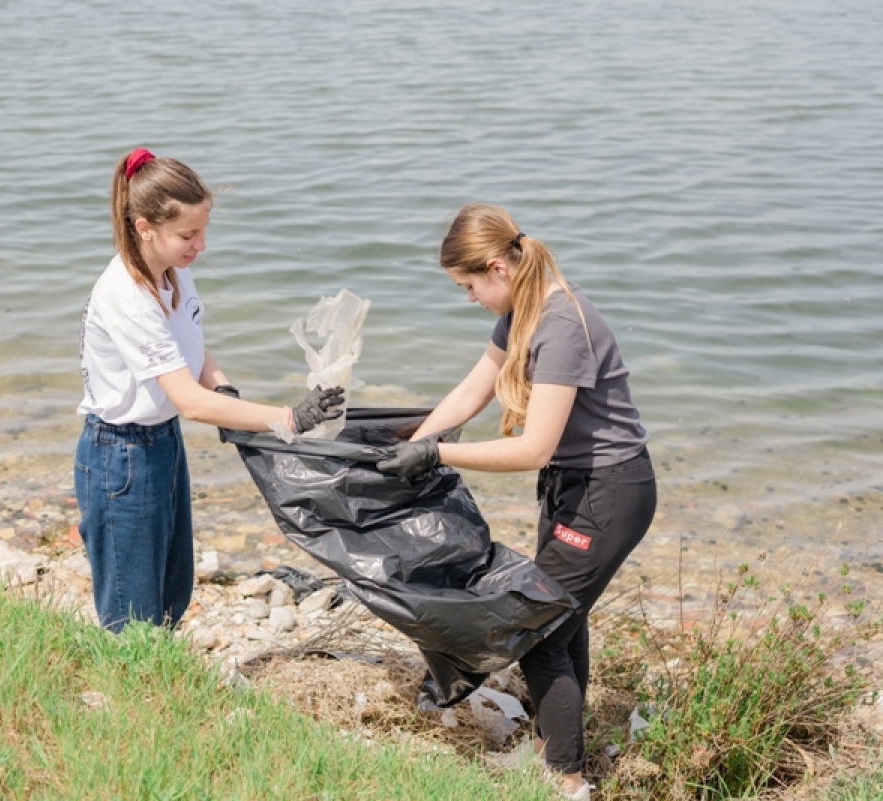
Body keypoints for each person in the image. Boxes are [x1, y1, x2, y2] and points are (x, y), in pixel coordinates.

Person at [377, 204, 656, 801]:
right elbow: (472, 390)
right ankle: (552, 753)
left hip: (610, 492)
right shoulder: (522, 311)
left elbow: (533, 447)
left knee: (535, 628)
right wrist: (421, 439)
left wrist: (439, 458)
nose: (470, 298)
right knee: (559, 615)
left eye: (470, 285)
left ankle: (567, 782)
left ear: (498, 267)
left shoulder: (562, 325)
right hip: (572, 486)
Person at [75, 147, 344, 633]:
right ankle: (131, 700)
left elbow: (192, 348)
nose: (200, 245)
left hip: (162, 443)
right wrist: (288, 418)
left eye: (203, 230)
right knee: (132, 616)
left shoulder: (174, 271)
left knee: (172, 593)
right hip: (121, 455)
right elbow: (190, 401)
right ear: (144, 227)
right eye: (188, 234)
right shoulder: (126, 295)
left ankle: (159, 693)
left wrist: (230, 394)